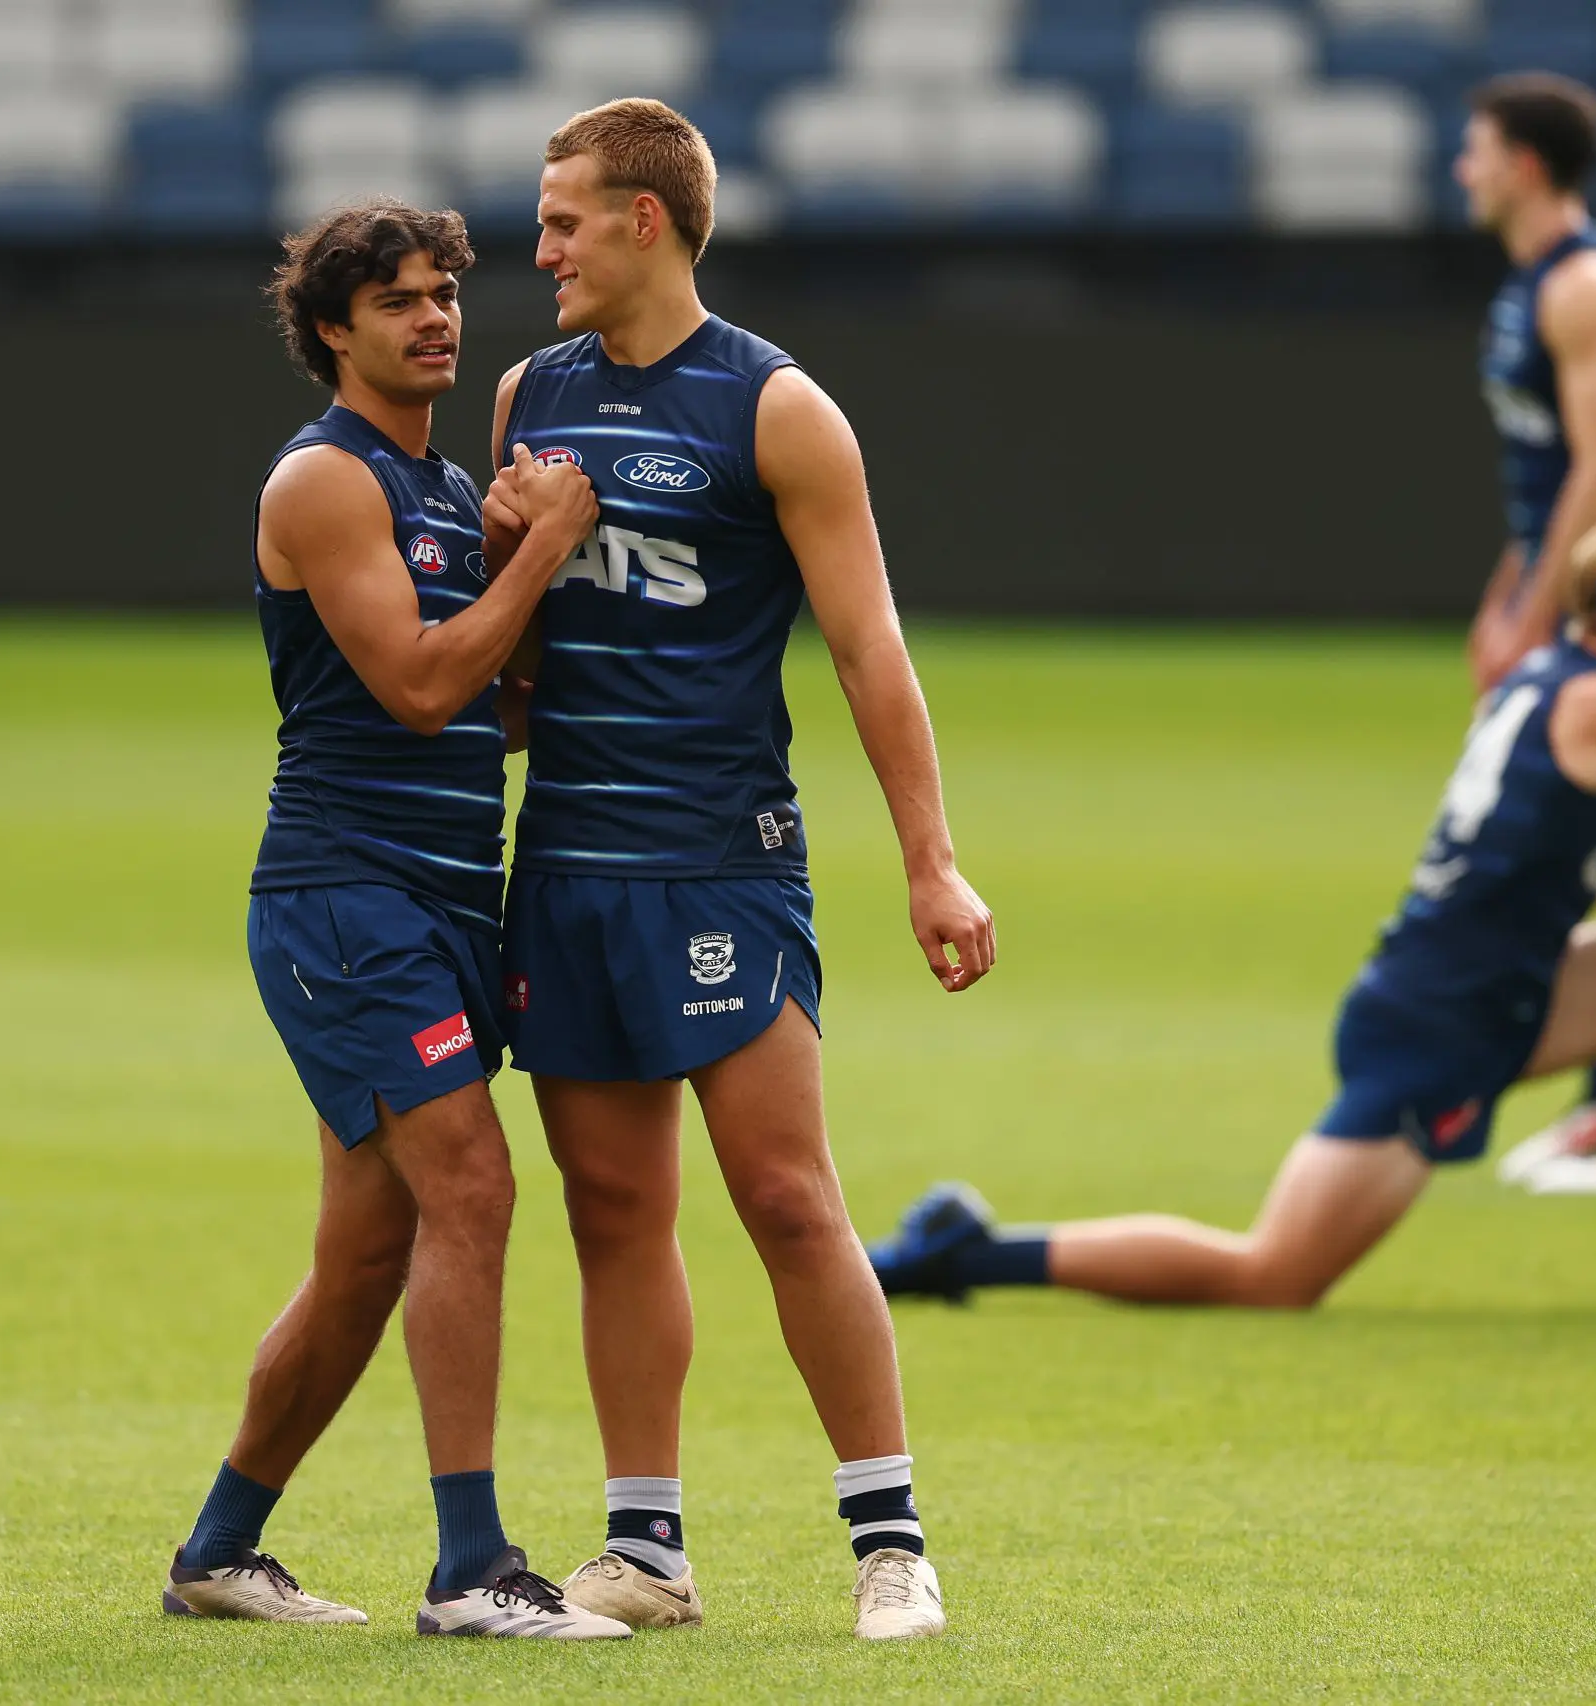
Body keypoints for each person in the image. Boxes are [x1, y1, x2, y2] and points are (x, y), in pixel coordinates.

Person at [485, 99, 993, 1640]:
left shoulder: (777, 408)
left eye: (566, 217)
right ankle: (646, 1551)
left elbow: (868, 646)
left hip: (723, 863)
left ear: (648, 221)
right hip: (567, 857)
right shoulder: (526, 395)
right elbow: (511, 659)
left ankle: (892, 1542)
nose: (542, 245)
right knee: (612, 1204)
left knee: (784, 1191)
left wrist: (932, 862)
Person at [161, 200, 632, 1637]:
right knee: (475, 1192)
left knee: (368, 1253)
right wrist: (543, 550)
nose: (436, 318)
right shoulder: (324, 482)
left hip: (436, 895)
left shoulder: (438, 491)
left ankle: (219, 1550)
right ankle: (473, 1566)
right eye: (398, 303)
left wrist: (519, 562)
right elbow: (424, 690)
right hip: (344, 899)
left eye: (443, 294)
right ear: (331, 332)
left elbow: (500, 699)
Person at [871, 526, 1596, 1314]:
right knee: (1274, 1275)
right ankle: (970, 1253)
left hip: (1493, 986)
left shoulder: (1551, 679)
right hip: (1448, 1019)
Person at [1456, 73, 1596, 1179]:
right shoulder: (1528, 284)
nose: (1463, 168)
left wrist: (1535, 614)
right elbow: (1541, 482)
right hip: (1560, 592)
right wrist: (1503, 594)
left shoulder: (1586, 287)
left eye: (1477, 150)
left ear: (1527, 165)